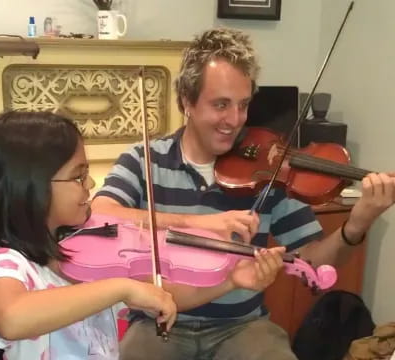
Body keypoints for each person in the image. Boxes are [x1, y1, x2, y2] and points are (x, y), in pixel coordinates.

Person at [91, 27, 395, 360]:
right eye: (221, 105)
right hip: (158, 324)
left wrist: (356, 226)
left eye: (243, 105)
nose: (235, 120)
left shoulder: (270, 168)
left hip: (242, 326)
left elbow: (313, 263)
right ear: (185, 102)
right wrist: (202, 224)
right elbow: (101, 213)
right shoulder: (144, 159)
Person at [0, 111, 178, 360]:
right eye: (78, 176)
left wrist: (149, 299)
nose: (89, 184)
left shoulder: (78, 253)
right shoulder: (6, 262)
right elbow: (11, 318)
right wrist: (121, 288)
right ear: (31, 186)